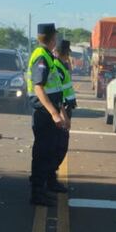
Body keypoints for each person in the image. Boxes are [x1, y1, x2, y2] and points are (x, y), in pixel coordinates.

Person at [27, 23, 66, 206]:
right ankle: (37, 194)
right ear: (52, 38)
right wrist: (53, 113)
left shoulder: (47, 56)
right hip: (43, 114)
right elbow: (38, 87)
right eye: (55, 37)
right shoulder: (42, 57)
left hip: (48, 113)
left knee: (48, 152)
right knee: (42, 153)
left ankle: (42, 189)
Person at [52, 39, 77, 193]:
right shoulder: (58, 68)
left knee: (59, 146)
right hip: (62, 111)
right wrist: (63, 116)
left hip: (64, 110)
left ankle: (51, 178)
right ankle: (50, 178)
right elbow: (58, 94)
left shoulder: (61, 66)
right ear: (65, 53)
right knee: (59, 147)